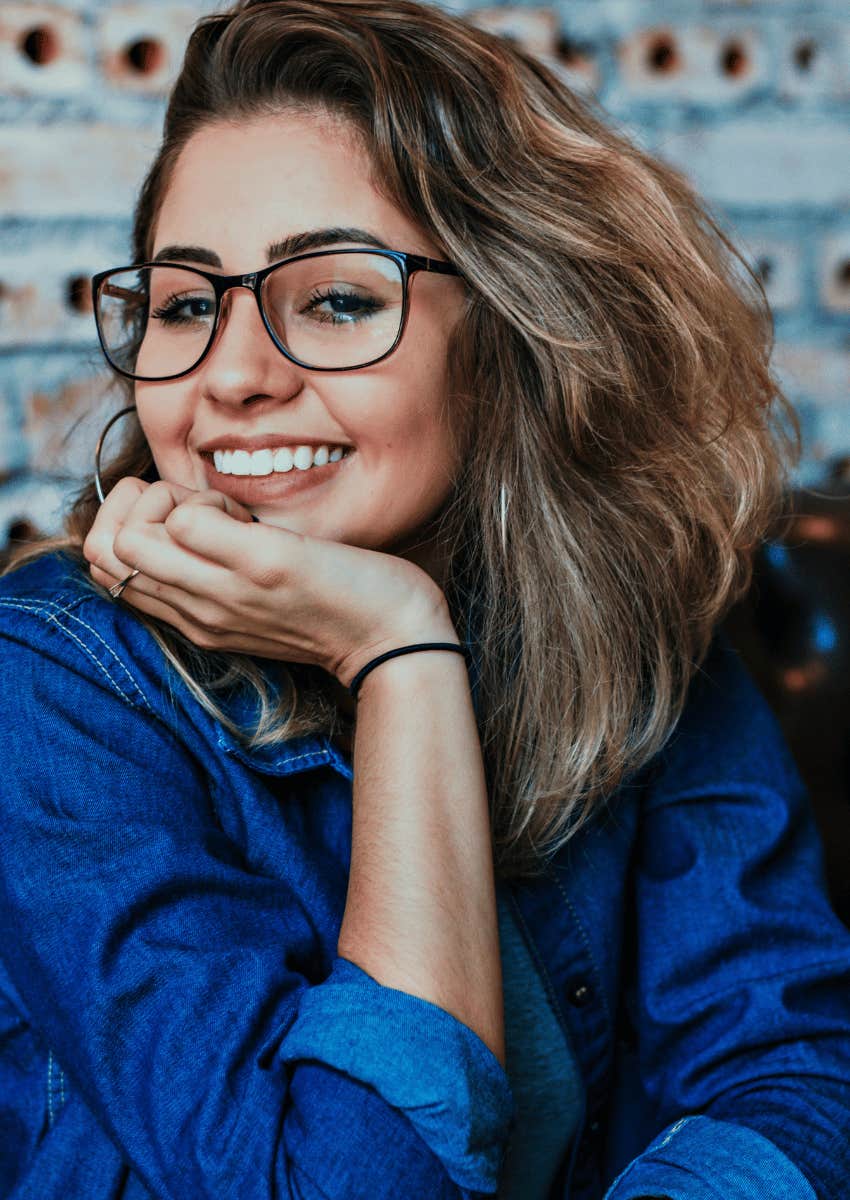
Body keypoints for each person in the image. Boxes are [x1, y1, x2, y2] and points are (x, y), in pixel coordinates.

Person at [1, 0, 848, 1196]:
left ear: (511, 333)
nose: (232, 374)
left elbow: (790, 1068)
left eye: (338, 299)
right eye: (188, 305)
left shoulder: (632, 620)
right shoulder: (56, 688)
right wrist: (398, 652)